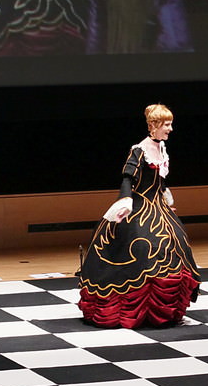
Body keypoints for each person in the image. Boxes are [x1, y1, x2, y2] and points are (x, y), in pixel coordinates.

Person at [78, 104, 201, 328]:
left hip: (158, 207)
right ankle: (133, 309)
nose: (170, 129)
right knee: (142, 246)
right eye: (167, 125)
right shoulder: (139, 150)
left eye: (170, 124)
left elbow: (160, 181)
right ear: (154, 125)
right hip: (139, 206)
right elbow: (128, 179)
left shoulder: (162, 148)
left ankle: (165, 310)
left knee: (175, 244)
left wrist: (166, 199)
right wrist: (125, 201)